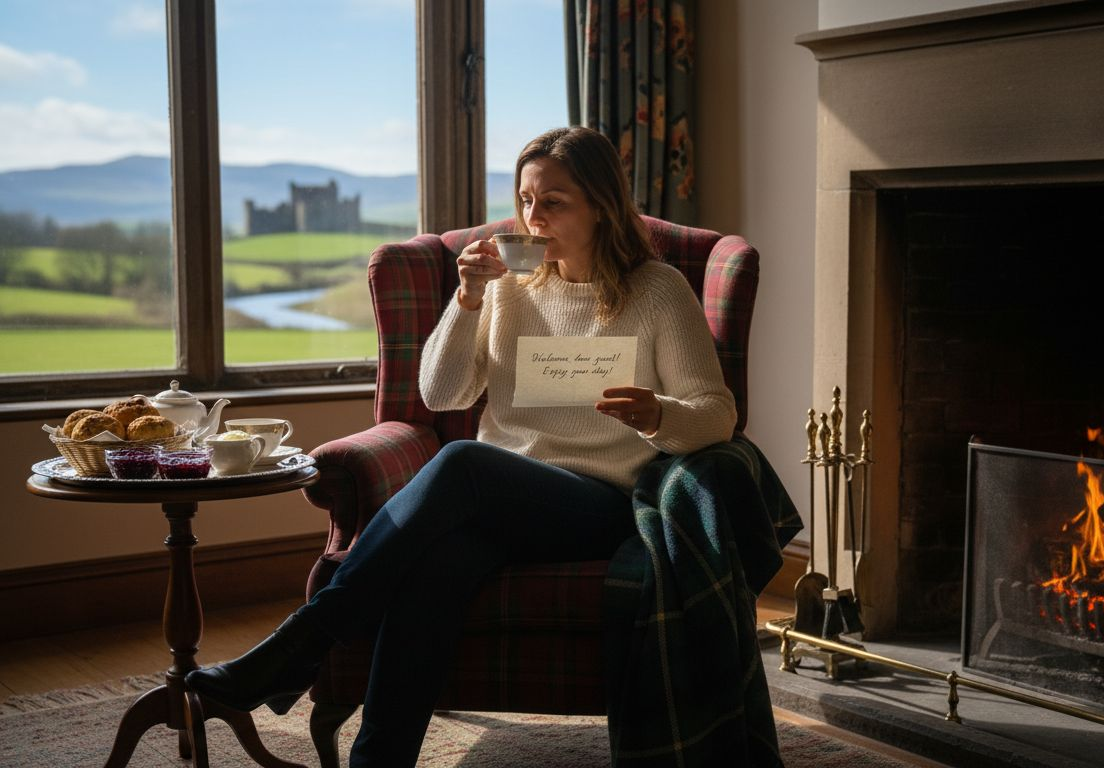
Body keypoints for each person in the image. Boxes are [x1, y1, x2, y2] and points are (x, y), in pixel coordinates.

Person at [186, 126, 737, 767]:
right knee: (435, 569)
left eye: (553, 202)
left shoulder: (657, 291)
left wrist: (656, 414)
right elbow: (441, 393)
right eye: (526, 200)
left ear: (602, 206)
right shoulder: (506, 287)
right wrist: (468, 297)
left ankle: (299, 646)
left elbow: (716, 415)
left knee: (462, 462)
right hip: (501, 503)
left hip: (603, 504)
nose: (533, 218)